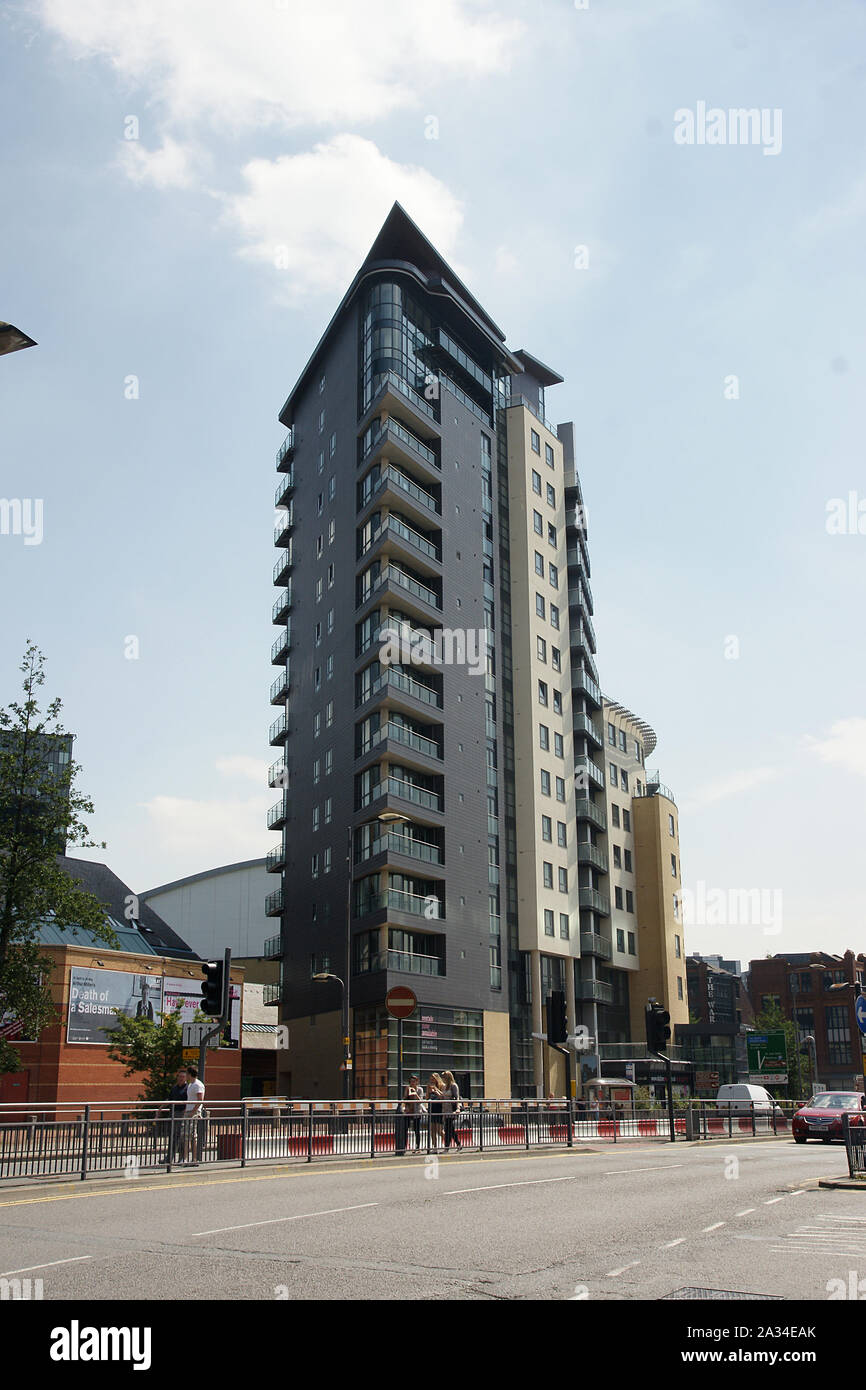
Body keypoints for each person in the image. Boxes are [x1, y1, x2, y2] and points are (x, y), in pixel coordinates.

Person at [160, 1067, 188, 1161]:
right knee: (173, 1136)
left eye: (183, 1077)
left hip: (182, 1114)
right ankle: (169, 1158)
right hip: (173, 1113)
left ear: (186, 1078)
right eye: (179, 1076)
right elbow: (169, 1099)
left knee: (181, 1136)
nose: (180, 1078)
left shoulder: (187, 1088)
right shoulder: (175, 1088)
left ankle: (182, 1157)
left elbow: (189, 1102)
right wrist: (160, 1109)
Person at [183, 1064, 205, 1165]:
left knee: (191, 1135)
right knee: (187, 1135)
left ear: (190, 1074)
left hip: (193, 1112)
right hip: (189, 1111)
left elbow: (200, 1100)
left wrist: (193, 1112)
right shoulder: (191, 1085)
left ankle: (193, 1159)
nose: (185, 1076)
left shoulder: (197, 1085)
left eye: (187, 1074)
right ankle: (187, 1158)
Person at [402, 1075, 425, 1153]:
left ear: (417, 1082)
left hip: (417, 1111)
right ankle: (404, 1146)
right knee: (405, 1129)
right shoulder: (407, 1088)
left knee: (417, 1130)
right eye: (411, 1081)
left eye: (414, 1081)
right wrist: (407, 1092)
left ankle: (417, 1146)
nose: (412, 1083)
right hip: (409, 1112)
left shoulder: (420, 1089)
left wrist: (415, 1093)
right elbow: (405, 1099)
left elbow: (421, 1101)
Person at [441, 1070, 462, 1150]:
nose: (443, 1079)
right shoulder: (444, 1086)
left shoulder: (453, 1086)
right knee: (451, 1129)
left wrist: (457, 1108)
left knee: (448, 1128)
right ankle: (458, 1144)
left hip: (451, 1109)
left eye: (444, 1077)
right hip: (445, 1109)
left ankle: (447, 1147)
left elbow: (457, 1097)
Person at [427, 1073, 445, 1150]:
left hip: (439, 1109)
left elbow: (442, 1097)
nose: (432, 1081)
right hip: (432, 1109)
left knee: (439, 1130)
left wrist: (436, 1090)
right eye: (431, 1079)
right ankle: (435, 1147)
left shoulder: (442, 1086)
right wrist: (428, 1091)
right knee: (432, 1130)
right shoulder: (430, 1088)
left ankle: (447, 1142)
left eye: (433, 1079)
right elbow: (427, 1098)